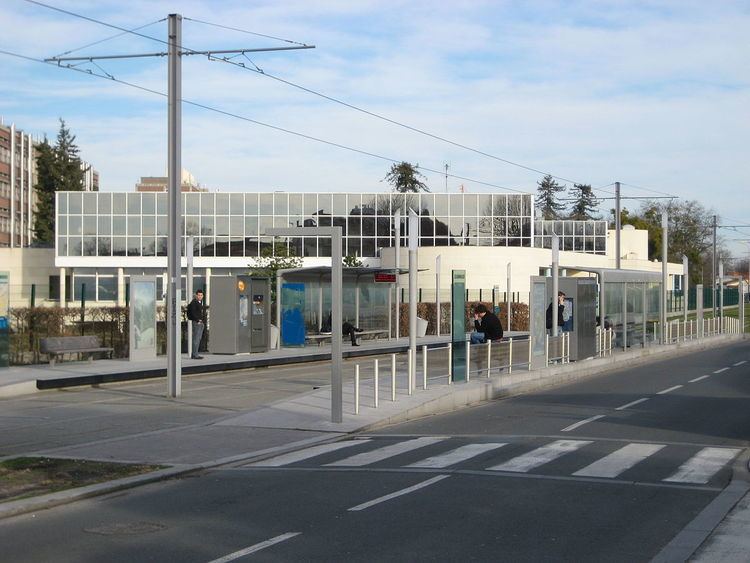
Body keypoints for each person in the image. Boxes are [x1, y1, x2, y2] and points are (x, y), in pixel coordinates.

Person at [187, 289, 205, 359]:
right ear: (196, 295)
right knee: (196, 339)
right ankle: (194, 355)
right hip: (196, 323)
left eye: (201, 295)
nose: (200, 296)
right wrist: (198, 320)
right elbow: (193, 312)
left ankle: (195, 353)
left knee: (198, 338)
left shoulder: (199, 302)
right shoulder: (194, 302)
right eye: (199, 295)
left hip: (200, 323)